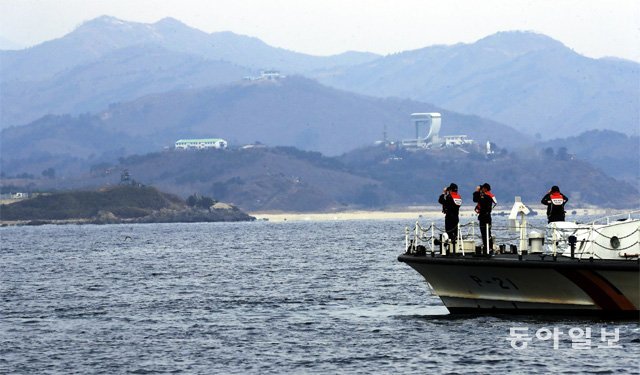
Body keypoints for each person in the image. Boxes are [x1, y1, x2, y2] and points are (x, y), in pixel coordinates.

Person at [473, 183, 497, 253]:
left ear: (485, 189)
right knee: (488, 233)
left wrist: (477, 191)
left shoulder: (485, 196)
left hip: (484, 217)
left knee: (484, 233)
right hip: (488, 217)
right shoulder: (490, 196)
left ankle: (486, 248)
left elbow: (475, 199)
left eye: (483, 188)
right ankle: (490, 247)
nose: (482, 189)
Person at [438, 183, 462, 251]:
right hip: (456, 217)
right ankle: (456, 248)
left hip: (449, 217)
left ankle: (449, 249)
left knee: (449, 232)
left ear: (450, 190)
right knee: (455, 232)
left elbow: (441, 201)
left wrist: (443, 193)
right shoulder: (458, 197)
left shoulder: (449, 197)